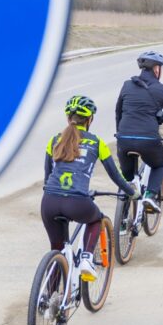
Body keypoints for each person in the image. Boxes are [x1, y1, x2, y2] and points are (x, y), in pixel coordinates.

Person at [42, 95, 136, 281]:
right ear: (90, 120)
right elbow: (116, 175)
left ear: (69, 119)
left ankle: (48, 301)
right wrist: (131, 192)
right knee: (96, 219)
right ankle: (87, 257)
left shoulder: (54, 141)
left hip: (49, 202)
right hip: (77, 202)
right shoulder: (97, 143)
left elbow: (47, 176)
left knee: (57, 251)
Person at [115, 51, 163, 214]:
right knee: (159, 166)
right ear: (156, 69)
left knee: (127, 180)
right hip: (148, 140)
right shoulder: (162, 90)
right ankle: (150, 195)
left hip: (124, 139)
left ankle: (121, 223)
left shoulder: (126, 85)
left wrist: (120, 133)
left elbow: (118, 112)